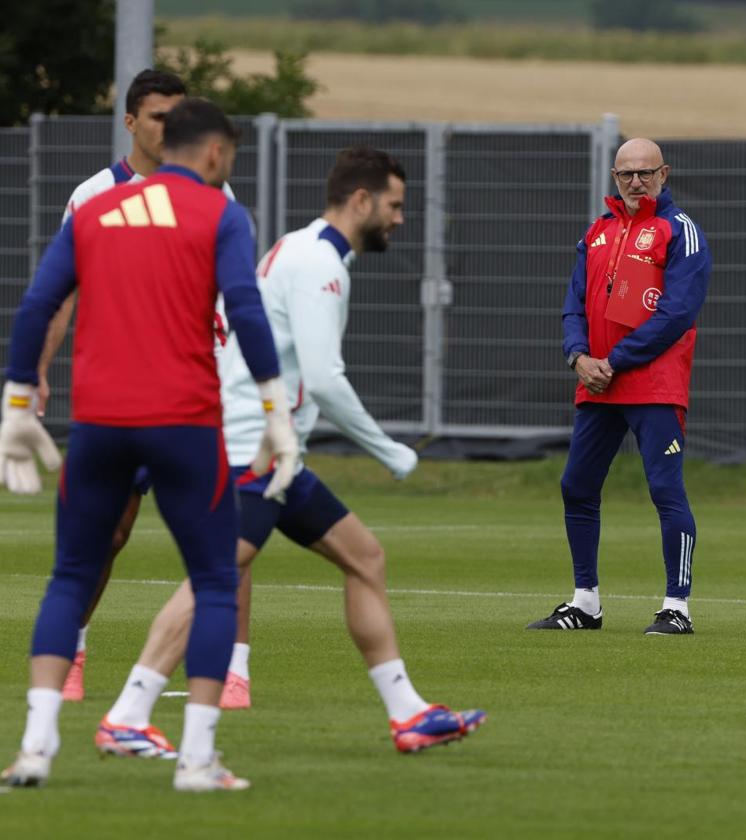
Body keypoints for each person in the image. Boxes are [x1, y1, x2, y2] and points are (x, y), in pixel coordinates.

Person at [94, 146, 486, 759]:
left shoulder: (304, 248)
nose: (400, 219)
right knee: (214, 579)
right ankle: (127, 713)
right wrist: (390, 451)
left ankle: (408, 714)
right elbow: (325, 378)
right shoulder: (319, 263)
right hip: (253, 452)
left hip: (279, 455)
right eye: (395, 204)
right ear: (362, 201)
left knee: (365, 558)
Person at [1, 98, 298, 792]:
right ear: (216, 154)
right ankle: (196, 759)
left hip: (100, 424)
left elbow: (37, 305)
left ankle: (35, 747)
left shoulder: (96, 210)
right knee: (216, 579)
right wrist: (274, 406)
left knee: (69, 577)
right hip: (185, 423)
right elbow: (245, 308)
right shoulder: (221, 212)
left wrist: (17, 401)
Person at [39, 69, 247, 706]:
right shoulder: (95, 195)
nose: (170, 126)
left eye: (179, 114)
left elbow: (237, 299)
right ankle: (71, 652)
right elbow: (55, 299)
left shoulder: (218, 192)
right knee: (109, 532)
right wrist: (36, 376)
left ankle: (233, 669)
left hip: (201, 395)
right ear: (130, 122)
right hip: (124, 396)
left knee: (231, 538)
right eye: (158, 115)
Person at [527, 137, 712, 635]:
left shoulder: (680, 231)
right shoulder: (598, 233)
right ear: (614, 178)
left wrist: (615, 359)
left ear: (664, 174)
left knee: (665, 490)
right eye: (626, 174)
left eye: (645, 173)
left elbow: (678, 313)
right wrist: (578, 356)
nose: (635, 182)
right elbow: (573, 303)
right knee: (577, 486)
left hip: (653, 384)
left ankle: (677, 607)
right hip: (598, 383)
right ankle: (585, 603)